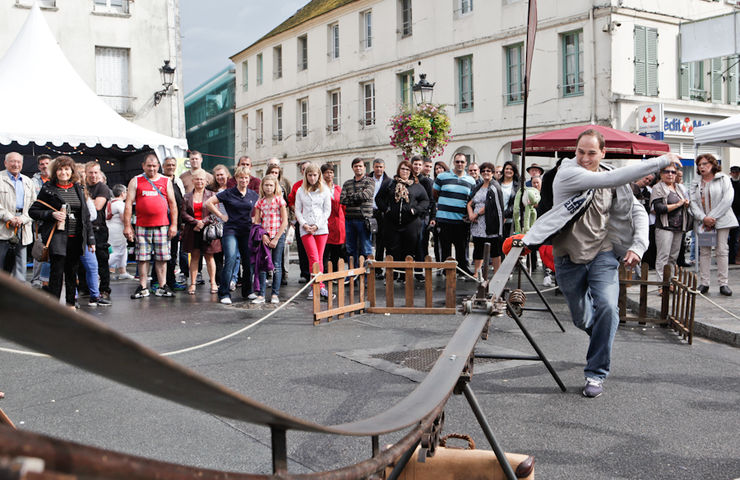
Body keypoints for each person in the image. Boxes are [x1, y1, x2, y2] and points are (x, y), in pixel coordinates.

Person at [522, 128, 680, 398]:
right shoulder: (568, 172)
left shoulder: (611, 176)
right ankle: (601, 336)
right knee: (582, 317)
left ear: (602, 152)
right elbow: (611, 177)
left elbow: (636, 210)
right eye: (580, 151)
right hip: (568, 257)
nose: (584, 157)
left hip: (604, 254)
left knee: (608, 307)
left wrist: (638, 247)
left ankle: (595, 373)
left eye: (591, 153)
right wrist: (661, 160)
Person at [29, 156, 96, 309]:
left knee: (72, 273)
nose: (63, 172)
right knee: (56, 273)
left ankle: (71, 305)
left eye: (66, 169)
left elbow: (85, 216)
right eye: (60, 169)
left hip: (76, 237)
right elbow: (33, 211)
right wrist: (51, 215)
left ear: (72, 171)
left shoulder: (78, 188)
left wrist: (91, 240)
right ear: (55, 171)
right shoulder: (48, 189)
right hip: (57, 238)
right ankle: (55, 309)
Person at [123, 154, 179, 299]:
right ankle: (142, 287)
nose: (152, 169)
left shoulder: (166, 181)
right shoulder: (136, 181)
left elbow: (173, 204)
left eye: (154, 166)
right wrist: (127, 226)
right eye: (149, 166)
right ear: (143, 166)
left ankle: (162, 286)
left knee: (162, 258)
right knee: (143, 258)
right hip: (142, 225)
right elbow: (128, 204)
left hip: (162, 226)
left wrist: (174, 225)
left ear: (158, 166)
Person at [206, 165, 259, 304]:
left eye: (246, 178)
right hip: (231, 230)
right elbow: (209, 203)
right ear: (236, 179)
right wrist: (221, 216)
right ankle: (224, 293)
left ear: (249, 179)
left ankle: (248, 291)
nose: (243, 180)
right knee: (230, 258)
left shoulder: (253, 194)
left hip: (246, 231)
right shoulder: (228, 193)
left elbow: (260, 209)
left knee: (247, 262)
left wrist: (256, 220)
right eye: (241, 178)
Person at [689, 154, 737, 296]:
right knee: (704, 251)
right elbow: (692, 202)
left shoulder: (723, 178)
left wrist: (713, 217)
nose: (701, 167)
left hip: (721, 220)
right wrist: (704, 218)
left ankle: (723, 284)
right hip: (705, 222)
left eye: (704, 164)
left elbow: (727, 199)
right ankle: (704, 283)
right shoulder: (695, 182)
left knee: (722, 250)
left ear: (713, 164)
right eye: (699, 165)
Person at [377, 160, 429, 273]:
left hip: (410, 223)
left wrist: (415, 210)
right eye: (402, 169)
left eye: (407, 169)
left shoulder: (416, 186)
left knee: (409, 249)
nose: (405, 171)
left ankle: (406, 274)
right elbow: (378, 198)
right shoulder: (390, 184)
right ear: (398, 170)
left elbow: (425, 201)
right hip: (392, 223)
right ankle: (394, 274)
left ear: (411, 172)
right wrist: (386, 210)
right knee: (392, 249)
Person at [432, 152, 475, 276]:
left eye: (462, 162)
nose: (460, 164)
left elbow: (472, 200)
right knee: (445, 247)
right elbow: (435, 194)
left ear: (465, 163)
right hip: (444, 219)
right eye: (457, 161)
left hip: (461, 220)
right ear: (453, 162)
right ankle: (447, 270)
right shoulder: (442, 177)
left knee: (461, 248)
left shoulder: (471, 180)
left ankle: (462, 270)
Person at [651, 164, 691, 294]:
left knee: (673, 257)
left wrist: (686, 203)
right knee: (663, 256)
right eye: (667, 172)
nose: (670, 174)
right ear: (661, 174)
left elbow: (684, 203)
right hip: (664, 226)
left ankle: (670, 283)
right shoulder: (658, 188)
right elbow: (659, 208)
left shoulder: (679, 187)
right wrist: (678, 204)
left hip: (679, 226)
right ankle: (661, 285)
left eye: (673, 172)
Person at [295, 162, 332, 299]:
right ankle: (314, 286)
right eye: (309, 175)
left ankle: (319, 286)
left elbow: (327, 210)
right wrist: (304, 224)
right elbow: (298, 210)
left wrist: (317, 225)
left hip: (321, 228)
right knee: (313, 257)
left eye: (314, 175)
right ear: (306, 176)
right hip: (306, 228)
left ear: (319, 175)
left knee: (319, 258)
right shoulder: (300, 190)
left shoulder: (325, 190)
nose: (312, 178)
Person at [182, 169, 221, 295]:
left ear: (206, 181)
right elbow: (183, 213)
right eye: (197, 179)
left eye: (202, 179)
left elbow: (215, 213)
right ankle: (192, 283)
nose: (199, 181)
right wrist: (195, 222)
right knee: (194, 257)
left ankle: (213, 282)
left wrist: (202, 222)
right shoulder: (187, 196)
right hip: (192, 230)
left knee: (210, 257)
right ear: (193, 181)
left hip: (208, 231)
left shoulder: (212, 195)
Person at [252, 174, 288, 304]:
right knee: (263, 265)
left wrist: (276, 238)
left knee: (276, 265)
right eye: (266, 185)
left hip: (278, 235)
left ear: (275, 186)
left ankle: (275, 294)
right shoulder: (260, 202)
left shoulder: (279, 200)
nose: (268, 187)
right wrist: (262, 236)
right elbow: (257, 222)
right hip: (265, 236)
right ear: (262, 186)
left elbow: (284, 221)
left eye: (271, 185)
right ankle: (261, 294)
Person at [0, 152, 36, 282]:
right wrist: (9, 217)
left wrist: (23, 219)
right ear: (5, 163)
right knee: (2, 263)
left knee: (20, 265)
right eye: (12, 161)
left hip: (23, 226)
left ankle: (17, 298)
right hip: (3, 227)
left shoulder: (27, 181)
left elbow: (34, 205)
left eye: (18, 162)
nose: (16, 164)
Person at [466, 162, 504, 277]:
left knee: (494, 248)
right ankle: (477, 272)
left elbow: (491, 205)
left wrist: (476, 214)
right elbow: (470, 202)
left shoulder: (494, 186)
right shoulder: (478, 186)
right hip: (477, 223)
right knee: (478, 247)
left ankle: (497, 272)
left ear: (492, 173)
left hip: (490, 221)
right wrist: (471, 214)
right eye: (483, 171)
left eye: (488, 171)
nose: (486, 173)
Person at [84, 161, 112, 300]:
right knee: (83, 262)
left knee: (102, 260)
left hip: (99, 229)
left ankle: (105, 289)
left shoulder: (103, 188)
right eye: (91, 172)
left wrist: (85, 200)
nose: (94, 175)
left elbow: (96, 206)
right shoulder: (82, 186)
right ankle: (85, 288)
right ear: (86, 173)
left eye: (96, 172)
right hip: (84, 228)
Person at [340, 158, 375, 264]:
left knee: (366, 249)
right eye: (356, 166)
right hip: (350, 220)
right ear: (352, 168)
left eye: (360, 166)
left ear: (364, 167)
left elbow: (366, 195)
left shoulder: (370, 181)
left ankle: (366, 275)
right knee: (350, 249)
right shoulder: (347, 183)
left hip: (364, 219)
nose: (358, 168)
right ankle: (352, 274)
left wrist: (351, 197)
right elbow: (342, 200)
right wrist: (358, 197)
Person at [161, 156, 187, 291]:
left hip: (175, 223)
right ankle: (158, 282)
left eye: (172, 165)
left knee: (172, 254)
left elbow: (181, 203)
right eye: (168, 165)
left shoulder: (178, 182)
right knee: (160, 254)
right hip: (161, 223)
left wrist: (181, 223)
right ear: (163, 167)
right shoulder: (160, 181)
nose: (170, 167)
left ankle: (171, 281)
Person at [267, 163, 290, 286]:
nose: (274, 175)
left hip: (280, 222)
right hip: (267, 224)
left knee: (280, 251)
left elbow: (288, 202)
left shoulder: (283, 185)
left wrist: (290, 219)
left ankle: (281, 277)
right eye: (272, 172)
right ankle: (268, 276)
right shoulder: (265, 187)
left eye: (276, 173)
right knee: (267, 254)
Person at [30, 154, 51, 287]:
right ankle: (36, 279)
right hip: (39, 221)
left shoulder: (57, 179)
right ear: (38, 166)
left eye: (47, 163)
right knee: (39, 250)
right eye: (42, 164)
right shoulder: (33, 181)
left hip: (54, 221)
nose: (45, 166)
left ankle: (49, 279)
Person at [288, 161, 311, 282]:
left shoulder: (319, 185)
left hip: (315, 222)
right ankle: (305, 273)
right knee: (302, 248)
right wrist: (297, 212)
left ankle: (316, 272)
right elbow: (291, 201)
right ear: (301, 172)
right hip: (301, 221)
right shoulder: (297, 186)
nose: (306, 170)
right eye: (303, 169)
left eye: (308, 168)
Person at [321, 164, 346, 273]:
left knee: (337, 250)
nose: (329, 174)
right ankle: (325, 273)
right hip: (325, 222)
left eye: (331, 172)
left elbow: (343, 206)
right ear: (322, 174)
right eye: (326, 172)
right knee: (325, 251)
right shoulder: (320, 188)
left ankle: (335, 273)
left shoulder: (338, 189)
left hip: (338, 223)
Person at [412, 156, 434, 264]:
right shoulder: (408, 179)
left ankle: (420, 271)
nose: (417, 166)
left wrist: (432, 217)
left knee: (421, 244)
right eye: (415, 164)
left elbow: (431, 201)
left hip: (422, 217)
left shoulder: (426, 181)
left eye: (419, 164)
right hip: (409, 217)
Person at [106, 184, 131, 280]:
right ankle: (100, 268)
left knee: (123, 251)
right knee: (118, 252)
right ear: (122, 193)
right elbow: (123, 218)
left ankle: (123, 271)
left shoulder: (110, 202)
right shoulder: (120, 204)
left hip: (110, 229)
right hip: (118, 231)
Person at [370, 158, 392, 262]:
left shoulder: (389, 181)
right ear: (373, 167)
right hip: (368, 212)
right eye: (376, 167)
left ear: (384, 168)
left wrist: (386, 210)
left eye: (381, 167)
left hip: (382, 213)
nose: (379, 169)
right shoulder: (367, 179)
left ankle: (378, 267)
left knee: (381, 241)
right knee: (367, 240)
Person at [431, 161, 449, 265]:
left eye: (441, 168)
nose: (439, 170)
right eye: (437, 169)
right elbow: (433, 199)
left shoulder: (449, 181)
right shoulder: (433, 183)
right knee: (436, 242)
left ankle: (446, 263)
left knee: (445, 242)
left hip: (446, 215)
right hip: (436, 215)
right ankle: (438, 264)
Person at [499, 160, 520, 238]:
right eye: (507, 168)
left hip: (510, 221)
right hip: (497, 220)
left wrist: (504, 215)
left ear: (514, 171)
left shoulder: (517, 186)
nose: (508, 171)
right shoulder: (497, 183)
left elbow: (516, 204)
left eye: (511, 169)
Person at [728, 165, 740, 264]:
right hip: (728, 213)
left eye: (737, 172)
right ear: (731, 173)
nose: (735, 174)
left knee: (735, 238)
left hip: (738, 214)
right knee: (727, 237)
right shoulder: (728, 183)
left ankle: (732, 258)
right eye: (734, 172)